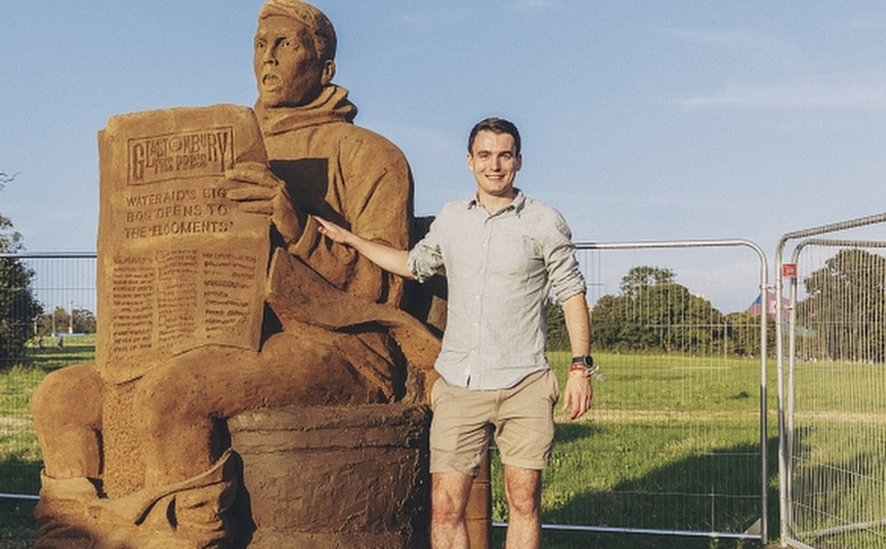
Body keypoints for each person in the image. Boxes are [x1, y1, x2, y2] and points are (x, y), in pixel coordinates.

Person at [32, 0, 423, 545]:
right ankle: (73, 533)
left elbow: (383, 290)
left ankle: (190, 534)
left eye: (286, 45)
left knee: (175, 392)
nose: (269, 58)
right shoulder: (228, 146)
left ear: (325, 68)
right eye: (262, 45)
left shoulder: (369, 155)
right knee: (60, 395)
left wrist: (297, 227)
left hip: (336, 345)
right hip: (208, 332)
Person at [316, 117, 594, 549]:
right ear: (470, 162)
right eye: (485, 155)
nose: (495, 165)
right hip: (460, 384)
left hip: (524, 383)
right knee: (446, 506)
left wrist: (580, 368)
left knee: (523, 503)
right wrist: (353, 240)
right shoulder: (450, 219)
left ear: (518, 160)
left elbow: (573, 293)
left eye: (504, 155)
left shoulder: (544, 222)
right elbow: (411, 264)